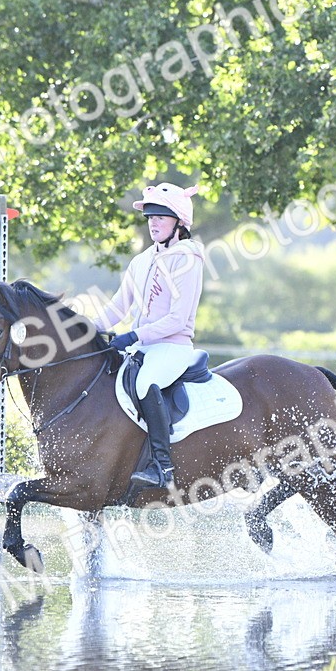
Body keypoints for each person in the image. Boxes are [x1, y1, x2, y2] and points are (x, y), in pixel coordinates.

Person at [93, 182, 205, 490]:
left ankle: (162, 466)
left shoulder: (187, 257)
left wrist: (132, 335)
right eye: (150, 216)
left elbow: (177, 319)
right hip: (143, 348)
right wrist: (86, 329)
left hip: (173, 347)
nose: (153, 222)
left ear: (179, 222)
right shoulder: (141, 261)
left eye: (161, 216)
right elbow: (117, 307)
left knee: (145, 383)